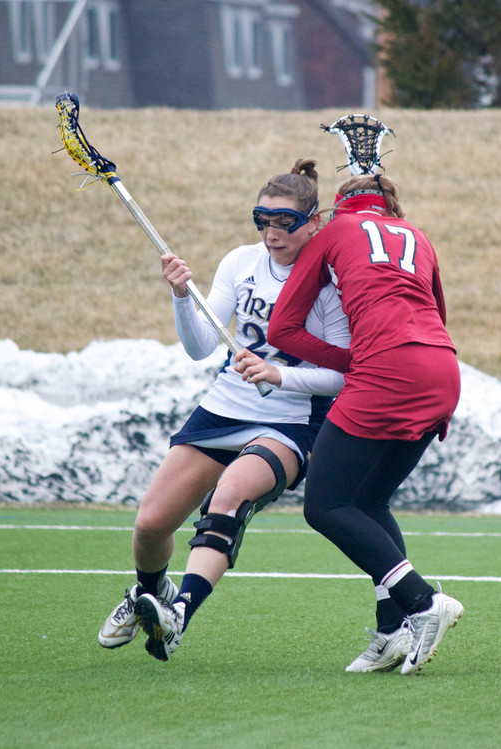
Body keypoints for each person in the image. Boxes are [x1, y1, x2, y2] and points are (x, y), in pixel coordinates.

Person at [98, 159, 349, 662]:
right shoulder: (240, 263)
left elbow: (342, 374)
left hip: (290, 419)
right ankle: (151, 593)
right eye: (262, 220)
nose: (272, 233)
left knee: (228, 497)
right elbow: (200, 347)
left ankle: (178, 615)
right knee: (150, 525)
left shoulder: (329, 281)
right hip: (224, 407)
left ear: (313, 221)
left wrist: (279, 375)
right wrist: (180, 296)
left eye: (285, 222)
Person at [267, 172, 463, 675]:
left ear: (338, 207)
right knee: (370, 501)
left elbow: (282, 329)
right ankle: (392, 630)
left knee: (325, 505)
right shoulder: (417, 235)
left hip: (386, 370)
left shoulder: (335, 230)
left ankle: (423, 602)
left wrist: (350, 361)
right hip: (443, 370)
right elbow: (437, 313)